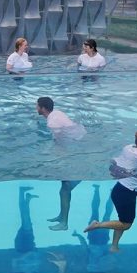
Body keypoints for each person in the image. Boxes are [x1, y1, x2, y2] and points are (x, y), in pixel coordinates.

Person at [37, 96, 86, 230]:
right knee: (64, 186)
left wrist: (58, 158)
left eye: (37, 106)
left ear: (43, 108)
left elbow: (60, 141)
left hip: (76, 148)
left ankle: (64, 223)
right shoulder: (57, 113)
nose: (36, 108)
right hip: (80, 139)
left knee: (66, 187)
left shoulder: (51, 123)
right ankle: (62, 216)